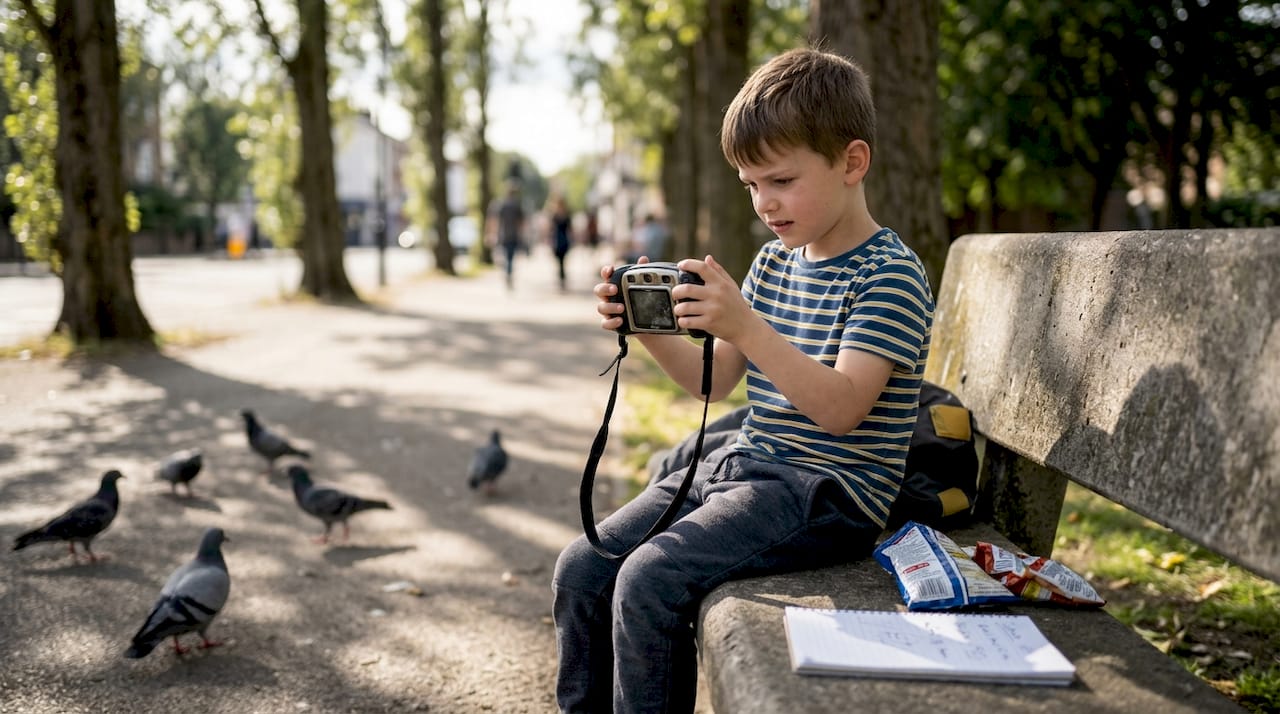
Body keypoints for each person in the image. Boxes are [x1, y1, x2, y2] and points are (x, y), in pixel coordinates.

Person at [552, 47, 934, 714]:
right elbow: (715, 385)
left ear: (851, 162)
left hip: (826, 491)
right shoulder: (773, 263)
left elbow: (842, 410)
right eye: (750, 185)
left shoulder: (889, 275)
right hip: (745, 466)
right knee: (582, 569)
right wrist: (648, 331)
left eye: (780, 180)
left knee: (649, 581)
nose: (765, 203)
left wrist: (750, 327)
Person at [490, 183, 526, 289]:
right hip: (513, 235)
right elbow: (520, 222)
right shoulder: (517, 205)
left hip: (503, 234)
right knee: (510, 257)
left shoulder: (502, 204)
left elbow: (496, 220)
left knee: (505, 255)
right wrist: (521, 233)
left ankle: (507, 271)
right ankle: (508, 272)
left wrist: (493, 233)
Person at [549, 196, 574, 291]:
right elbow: (551, 229)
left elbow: (570, 229)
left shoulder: (565, 215)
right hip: (557, 240)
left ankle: (562, 278)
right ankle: (561, 277)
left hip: (563, 241)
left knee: (562, 261)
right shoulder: (554, 215)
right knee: (559, 261)